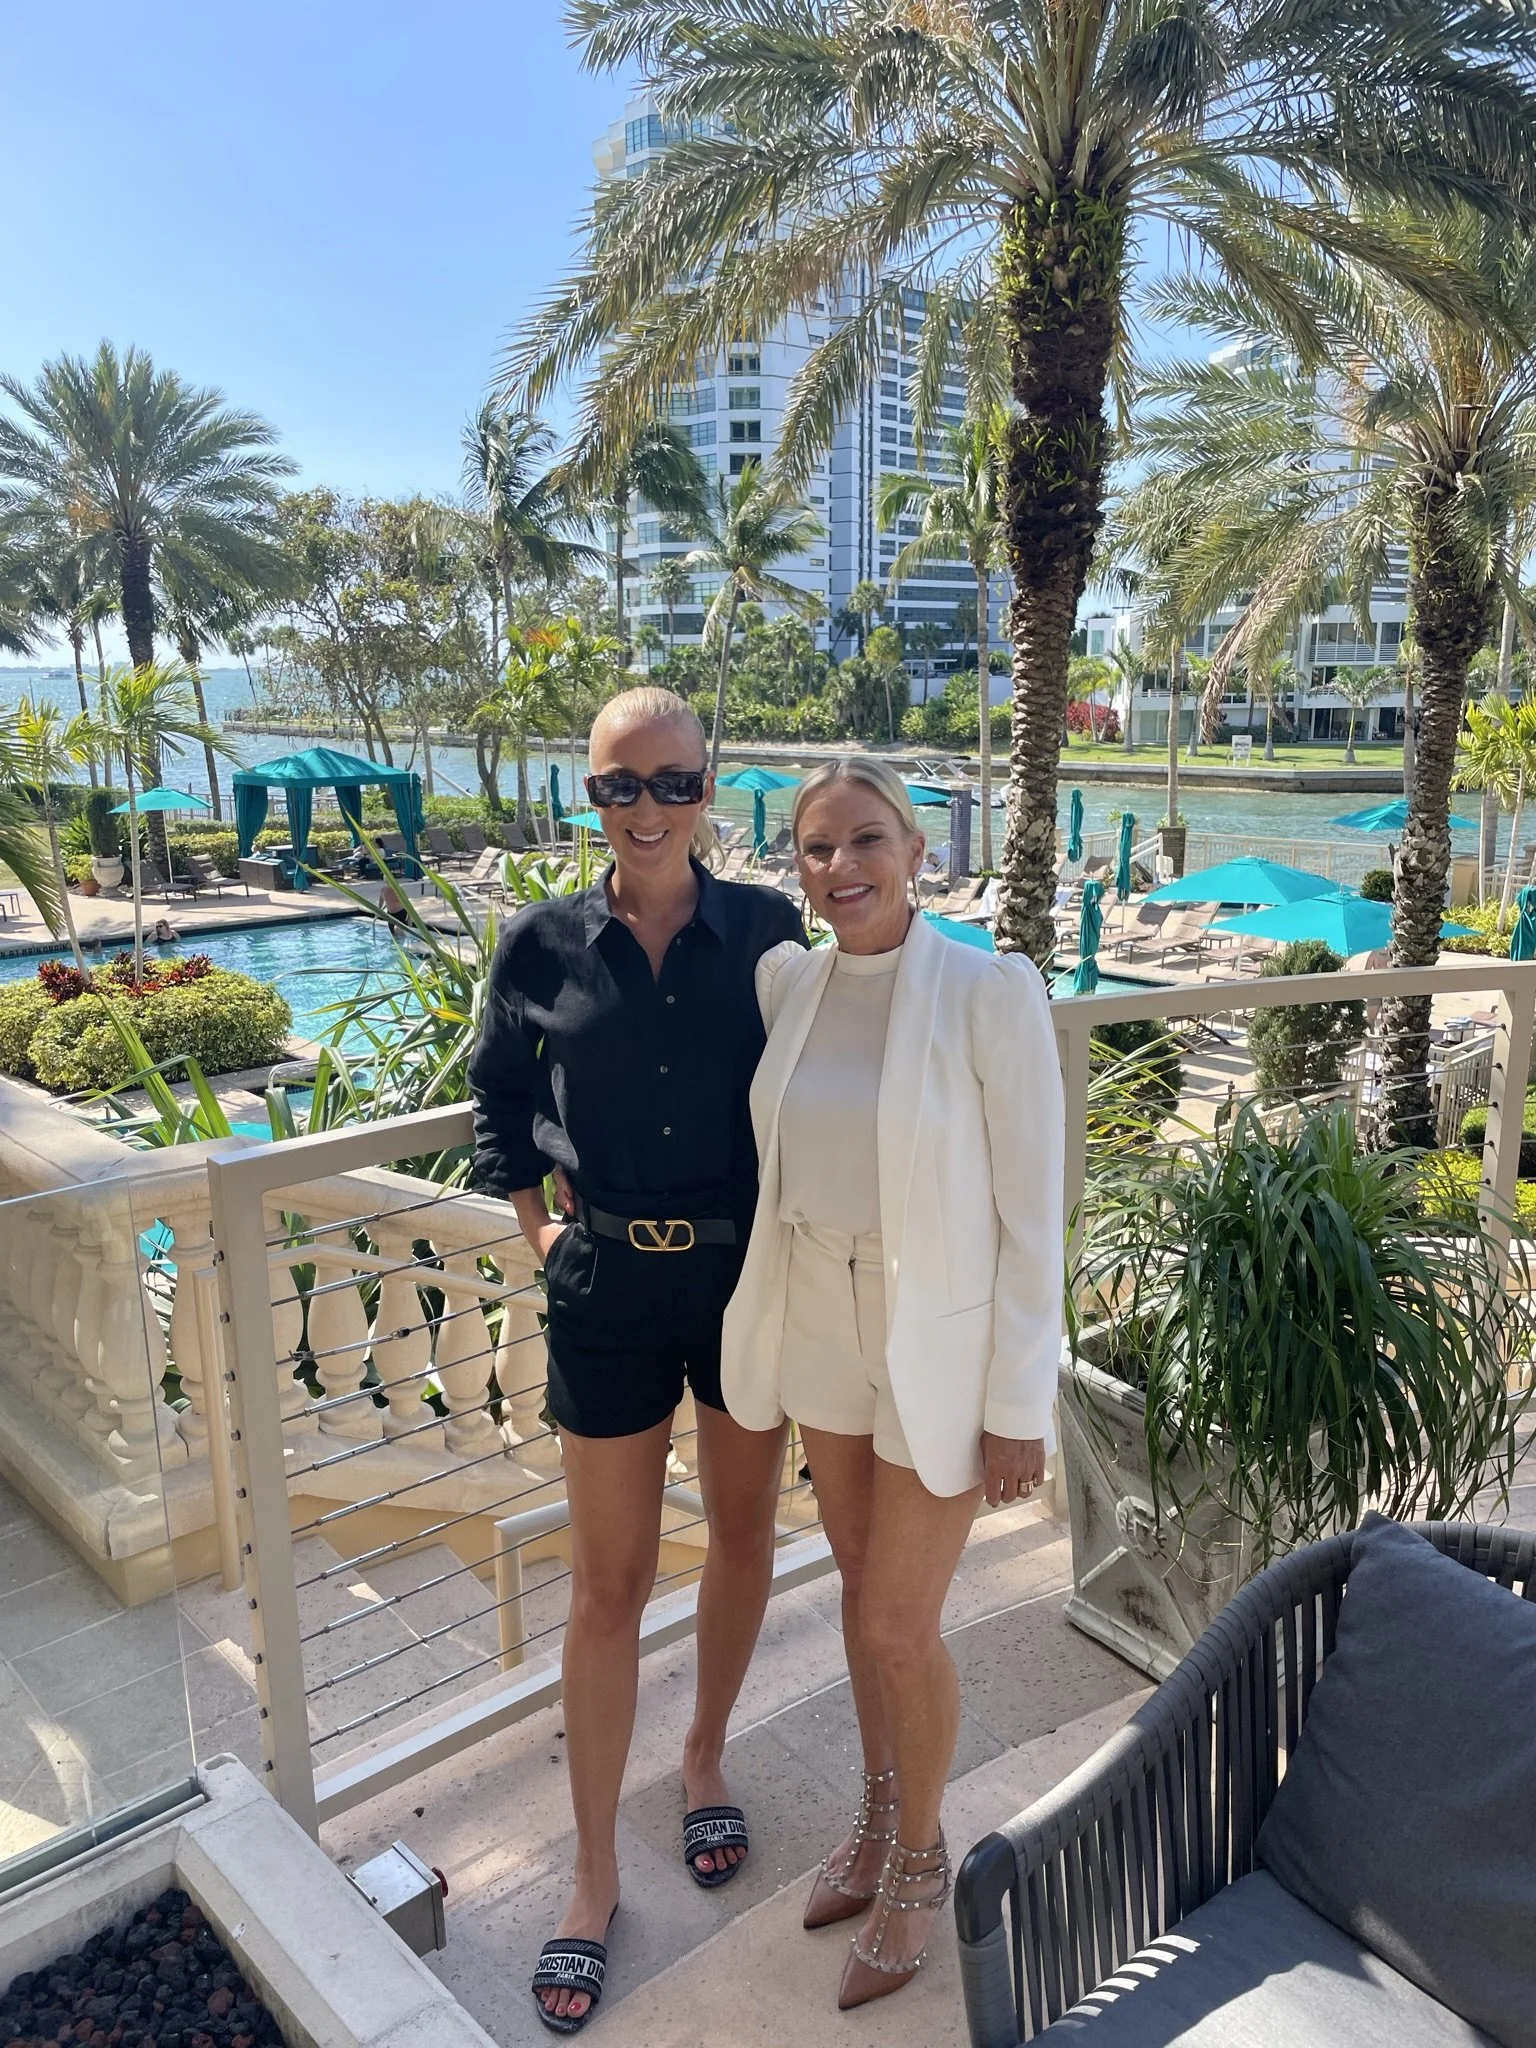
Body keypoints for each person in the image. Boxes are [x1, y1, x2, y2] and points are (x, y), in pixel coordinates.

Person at [468, 687, 805, 2034]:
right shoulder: (538, 945)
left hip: (744, 1276)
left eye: (674, 784)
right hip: (604, 1279)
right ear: (588, 793)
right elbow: (500, 1097)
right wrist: (538, 1230)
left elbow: (859, 1051)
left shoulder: (772, 935)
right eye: (622, 786)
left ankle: (705, 1757)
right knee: (605, 1586)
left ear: (710, 787)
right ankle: (592, 1874)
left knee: (739, 1538)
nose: (650, 810)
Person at [721, 758, 1064, 2011]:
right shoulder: (787, 982)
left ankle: (923, 1859)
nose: (840, 867)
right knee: (862, 1592)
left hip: (937, 1340)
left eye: (866, 840)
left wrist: (1019, 1395)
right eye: (815, 848)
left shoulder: (988, 991)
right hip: (818, 1321)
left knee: (892, 1624)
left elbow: (1036, 1207)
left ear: (918, 849)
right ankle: (874, 1818)